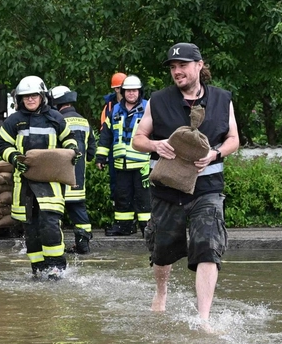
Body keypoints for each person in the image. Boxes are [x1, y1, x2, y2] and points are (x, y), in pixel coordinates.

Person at [131, 43, 240, 321]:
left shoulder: (222, 99)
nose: (176, 71)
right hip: (167, 189)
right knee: (163, 251)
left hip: (208, 189)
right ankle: (161, 291)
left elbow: (234, 139)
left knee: (208, 246)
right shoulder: (158, 100)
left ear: (199, 65)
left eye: (182, 65)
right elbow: (137, 139)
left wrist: (216, 153)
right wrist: (156, 145)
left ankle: (203, 317)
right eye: (173, 67)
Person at [0, 76, 78, 278]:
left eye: (34, 96)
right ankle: (38, 270)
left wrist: (72, 152)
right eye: (26, 97)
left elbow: (69, 139)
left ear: (42, 96)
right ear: (20, 99)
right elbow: (2, 144)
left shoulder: (56, 118)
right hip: (25, 184)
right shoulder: (13, 121)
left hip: (51, 182)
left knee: (50, 225)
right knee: (31, 230)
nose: (30, 100)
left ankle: (57, 268)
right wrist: (14, 157)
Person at [95, 75, 151, 236]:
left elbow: (156, 134)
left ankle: (147, 228)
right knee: (122, 196)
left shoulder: (148, 109)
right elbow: (106, 135)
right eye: (128, 91)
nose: (131, 94)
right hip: (121, 164)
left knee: (143, 198)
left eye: (134, 91)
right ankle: (124, 226)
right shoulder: (114, 111)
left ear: (139, 92)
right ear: (123, 92)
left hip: (142, 164)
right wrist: (101, 157)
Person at [48, 85, 93, 254]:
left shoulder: (57, 120)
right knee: (79, 210)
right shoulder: (83, 120)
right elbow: (91, 150)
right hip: (78, 176)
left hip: (60, 175)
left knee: (54, 211)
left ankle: (55, 247)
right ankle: (83, 245)